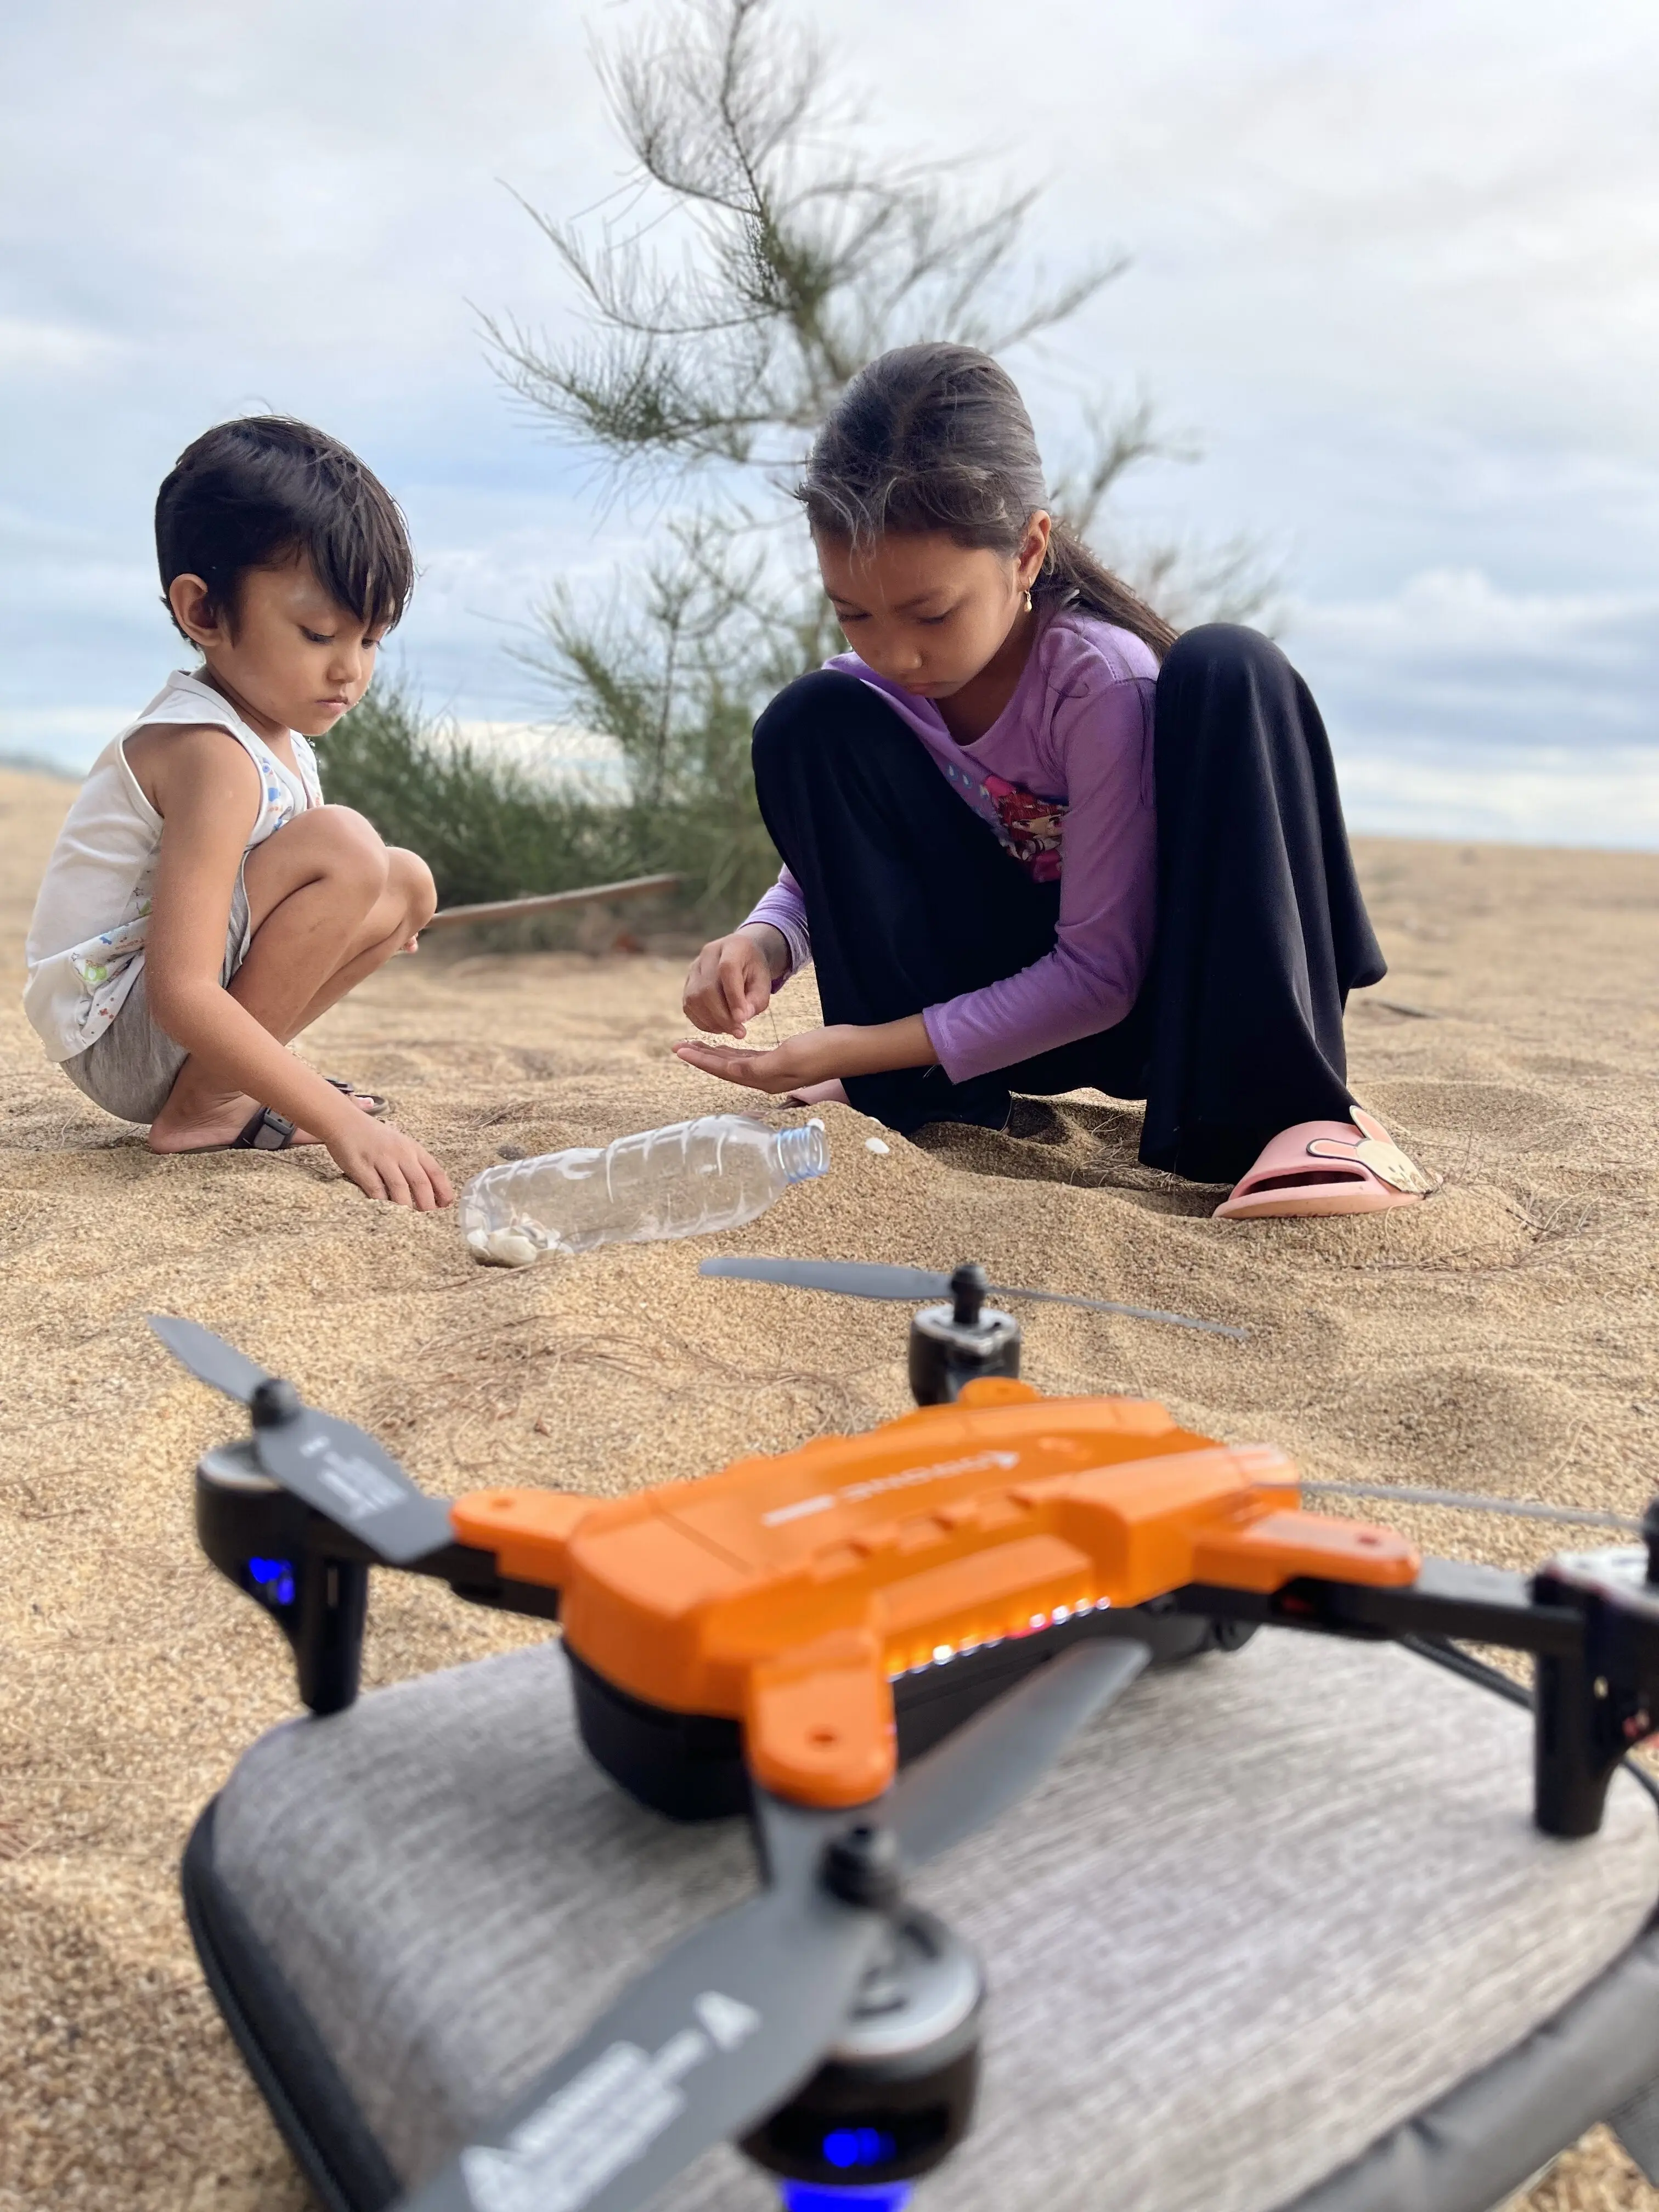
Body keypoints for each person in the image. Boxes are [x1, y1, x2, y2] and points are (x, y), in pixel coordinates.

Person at [676, 344, 1430, 1220]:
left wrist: (856, 1047)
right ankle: (918, 1095)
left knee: (1229, 664)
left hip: (1172, 1017)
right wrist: (764, 942)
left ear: (1028, 552)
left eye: (932, 613)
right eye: (854, 612)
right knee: (811, 717)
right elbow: (829, 872)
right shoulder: (878, 689)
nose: (896, 652)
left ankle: (1307, 1117)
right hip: (997, 1029)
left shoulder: (1099, 683)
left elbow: (1104, 974)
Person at [24, 416, 453, 1211]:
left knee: (406, 884)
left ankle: (217, 1093)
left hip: (156, 1028)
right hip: (117, 1029)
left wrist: (370, 918)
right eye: (319, 634)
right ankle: (207, 1106)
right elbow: (182, 992)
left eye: (371, 640)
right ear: (204, 613)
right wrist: (336, 1122)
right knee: (348, 846)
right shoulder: (211, 753)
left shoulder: (275, 737)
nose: (349, 671)